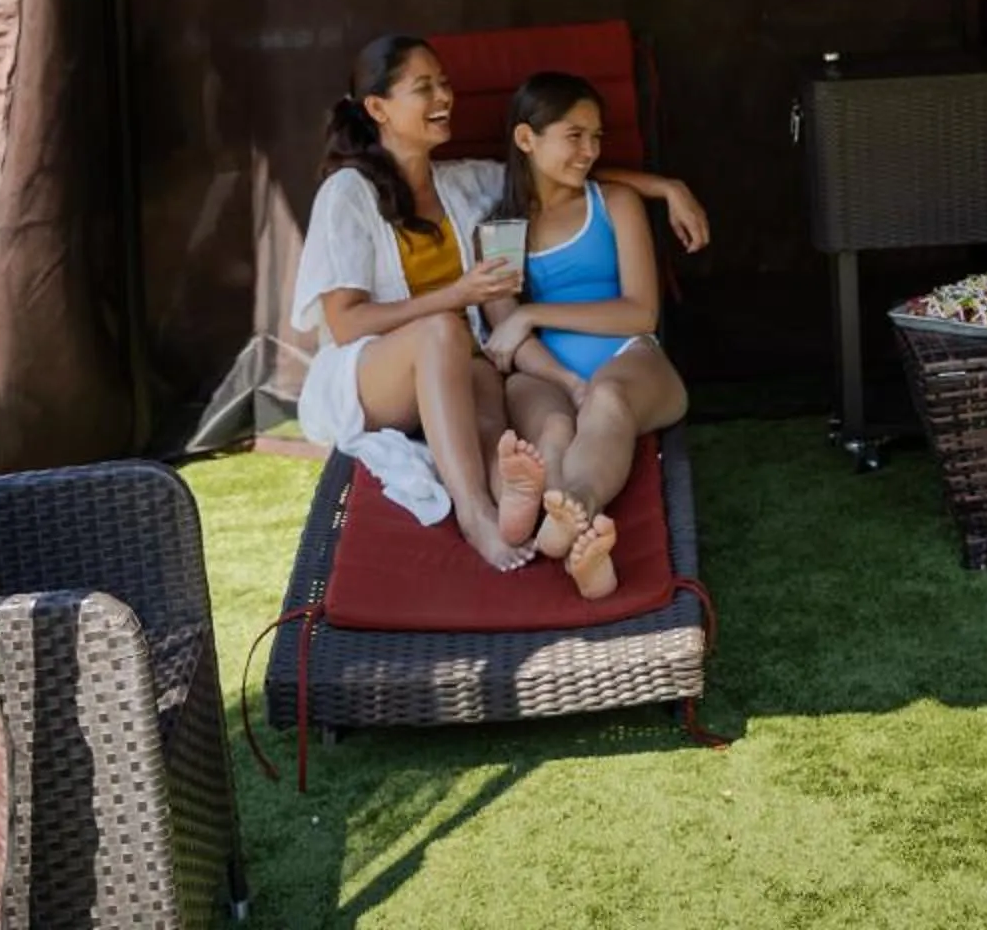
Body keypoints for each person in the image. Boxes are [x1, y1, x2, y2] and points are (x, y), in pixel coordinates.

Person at [289, 34, 709, 571]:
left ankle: (519, 508)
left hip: (459, 359)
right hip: (370, 374)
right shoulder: (346, 193)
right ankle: (475, 513)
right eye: (424, 88)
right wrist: (455, 297)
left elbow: (557, 175)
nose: (445, 96)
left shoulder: (463, 184)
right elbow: (346, 325)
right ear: (378, 109)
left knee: (494, 405)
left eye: (445, 83)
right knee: (444, 329)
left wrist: (665, 188)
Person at [477, 71, 691, 601]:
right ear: (526, 139)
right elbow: (508, 342)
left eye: (597, 137)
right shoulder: (499, 233)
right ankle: (574, 548)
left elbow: (640, 312)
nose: (590, 150)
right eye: (575, 135)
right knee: (549, 429)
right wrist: (567, 380)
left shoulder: (614, 203)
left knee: (608, 400)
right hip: (543, 371)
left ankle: (576, 507)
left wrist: (534, 314)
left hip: (627, 357)